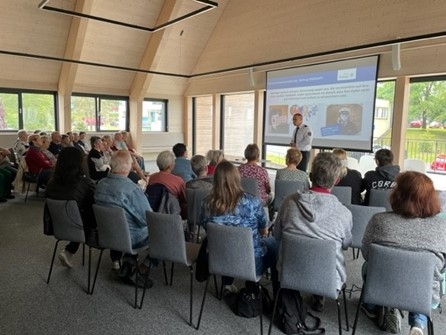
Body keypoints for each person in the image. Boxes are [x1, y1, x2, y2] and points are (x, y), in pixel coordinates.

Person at [361, 171, 446, 335]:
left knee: (368, 266)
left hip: (382, 285)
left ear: (397, 195)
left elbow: (366, 253)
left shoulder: (379, 220)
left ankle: (375, 306)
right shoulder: (441, 226)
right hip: (425, 291)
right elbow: (442, 265)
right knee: (426, 276)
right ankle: (418, 322)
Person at [274, 152, 352, 312]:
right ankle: (319, 295)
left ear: (310, 175)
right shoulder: (344, 213)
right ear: (336, 180)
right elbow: (346, 245)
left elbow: (276, 236)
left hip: (290, 270)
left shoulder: (288, 202)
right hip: (329, 278)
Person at [200, 160, 277, 295]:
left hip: (219, 259)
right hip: (251, 264)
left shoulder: (206, 203)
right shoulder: (252, 201)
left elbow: (207, 229)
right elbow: (263, 230)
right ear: (237, 178)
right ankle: (255, 286)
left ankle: (227, 284)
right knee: (276, 245)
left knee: (226, 240)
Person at [94, 150, 152, 286]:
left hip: (107, 235)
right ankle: (139, 269)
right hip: (132, 239)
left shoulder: (100, 185)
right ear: (127, 165)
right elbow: (147, 219)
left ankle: (128, 263)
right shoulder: (131, 189)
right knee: (163, 232)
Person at [45, 147, 97, 268]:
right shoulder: (85, 183)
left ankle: (69, 251)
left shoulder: (51, 183)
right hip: (81, 227)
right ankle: (117, 259)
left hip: (58, 226)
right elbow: (94, 204)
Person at [147, 150, 187, 217]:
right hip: (171, 215)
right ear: (171, 166)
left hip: (152, 214)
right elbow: (184, 199)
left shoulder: (152, 178)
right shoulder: (178, 180)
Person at [289, 108, 313, 172]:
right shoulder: (296, 129)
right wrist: (291, 143)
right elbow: (294, 139)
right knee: (295, 170)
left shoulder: (306, 129)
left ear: (301, 120)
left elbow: (307, 141)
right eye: (293, 119)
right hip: (296, 152)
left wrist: (296, 145)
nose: (293, 121)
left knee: (301, 171)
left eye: (295, 119)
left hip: (304, 153)